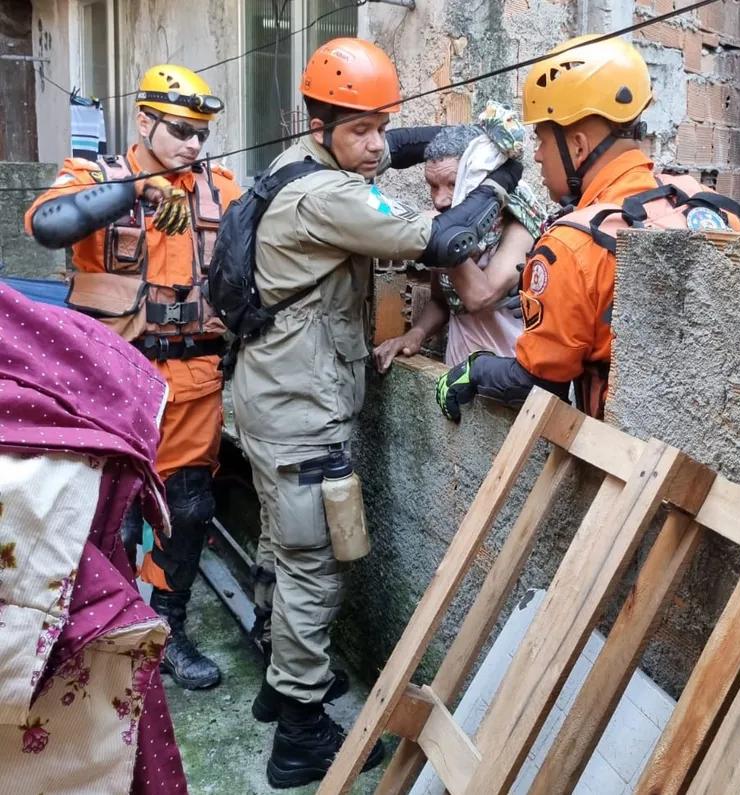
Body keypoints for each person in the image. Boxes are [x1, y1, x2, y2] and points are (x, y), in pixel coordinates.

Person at [229, 37, 521, 789]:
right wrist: (501, 177)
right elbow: (448, 239)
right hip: (301, 412)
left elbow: (394, 146)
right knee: (315, 565)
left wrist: (459, 137)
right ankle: (300, 735)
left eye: (381, 126)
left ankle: (277, 683)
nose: (376, 145)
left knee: (280, 542)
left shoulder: (294, 164)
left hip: (269, 399)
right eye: (360, 129)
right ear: (319, 125)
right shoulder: (331, 198)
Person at [24, 64, 242, 692]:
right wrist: (132, 190)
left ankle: (166, 628)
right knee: (105, 513)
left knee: (190, 509)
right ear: (144, 121)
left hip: (192, 375)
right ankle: (97, 629)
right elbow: (47, 225)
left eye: (202, 133)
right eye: (180, 130)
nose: (193, 144)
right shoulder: (93, 176)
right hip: (110, 378)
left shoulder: (220, 189)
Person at [435, 36, 740, 422]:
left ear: (578, 147)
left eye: (542, 140)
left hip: (624, 445)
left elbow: (536, 382)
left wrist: (476, 368)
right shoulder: (708, 205)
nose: (537, 155)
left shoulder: (570, 245)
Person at [373, 108, 545, 372]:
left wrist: (440, 236)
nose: (440, 199)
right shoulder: (448, 227)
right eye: (433, 185)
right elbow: (441, 301)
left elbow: (480, 296)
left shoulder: (518, 223)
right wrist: (416, 334)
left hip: (509, 378)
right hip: (458, 374)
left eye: (453, 184)